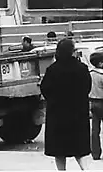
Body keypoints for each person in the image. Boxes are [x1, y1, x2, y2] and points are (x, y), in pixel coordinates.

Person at [40, 38, 91, 171]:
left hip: (58, 116)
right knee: (79, 149)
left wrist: (54, 100)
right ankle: (85, 169)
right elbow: (87, 88)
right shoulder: (82, 69)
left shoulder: (52, 70)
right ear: (72, 51)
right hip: (78, 114)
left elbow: (45, 89)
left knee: (59, 150)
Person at [90, 51, 103, 160]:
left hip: (93, 102)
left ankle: (95, 153)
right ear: (100, 63)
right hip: (102, 102)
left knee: (95, 129)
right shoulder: (102, 75)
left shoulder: (90, 74)